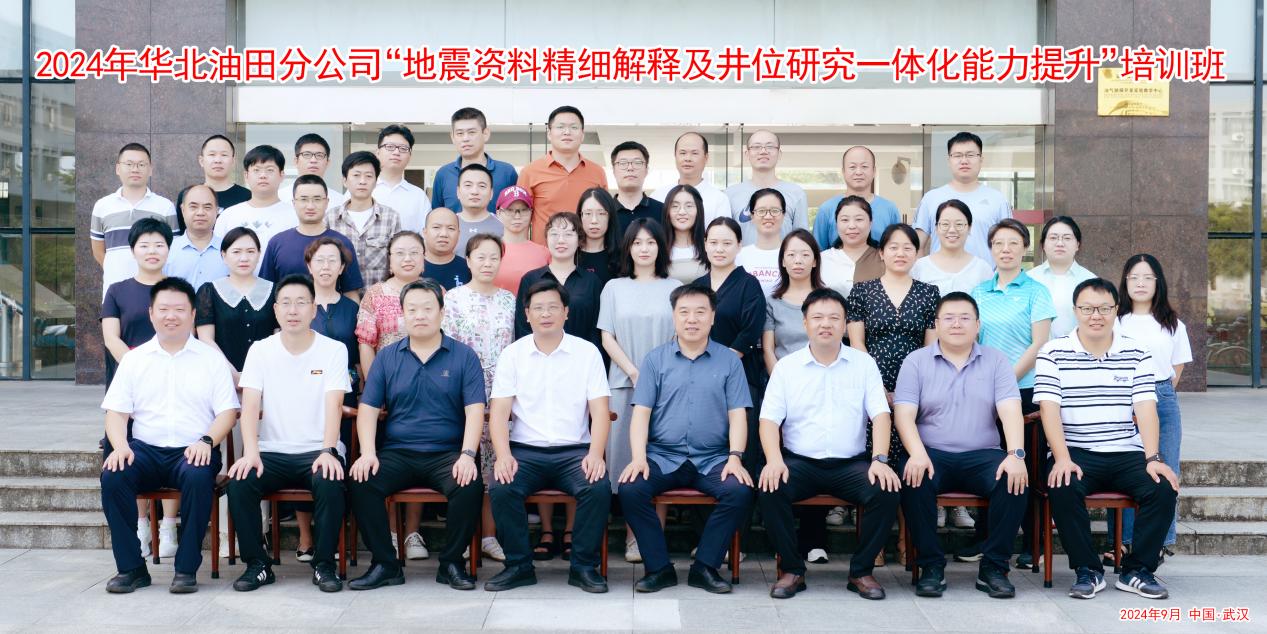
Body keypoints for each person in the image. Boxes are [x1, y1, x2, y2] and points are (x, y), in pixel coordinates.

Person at [1037, 278, 1179, 600]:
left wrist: (1153, 458)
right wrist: (1061, 458)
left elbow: (1145, 408)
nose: (1096, 316)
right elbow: (1049, 408)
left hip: (1125, 450)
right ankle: (1087, 570)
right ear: (1075, 311)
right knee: (1062, 484)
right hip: (1076, 450)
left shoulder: (1137, 352)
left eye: (1104, 308)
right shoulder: (1053, 352)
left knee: (1162, 487)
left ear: (1116, 310)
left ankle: (1137, 570)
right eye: (1087, 308)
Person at [757, 287, 901, 600]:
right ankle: (792, 570)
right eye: (818, 317)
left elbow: (880, 415)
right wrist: (774, 460)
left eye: (834, 318)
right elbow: (768, 420)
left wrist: (879, 459)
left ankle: (861, 571)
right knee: (770, 486)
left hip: (850, 464)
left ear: (845, 324)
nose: (826, 324)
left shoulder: (863, 364)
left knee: (886, 488)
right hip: (800, 462)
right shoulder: (787, 367)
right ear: (805, 323)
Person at [99, 277, 239, 594]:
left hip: (193, 448)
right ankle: (132, 568)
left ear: (192, 314)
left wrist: (207, 441)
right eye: (163, 309)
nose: (171, 316)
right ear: (151, 313)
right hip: (144, 450)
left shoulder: (211, 359)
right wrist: (120, 447)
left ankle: (186, 569)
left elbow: (227, 413)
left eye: (179, 309)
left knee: (198, 476)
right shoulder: (135, 359)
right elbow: (116, 413)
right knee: (114, 477)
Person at [346, 279, 486, 591]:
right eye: (412, 309)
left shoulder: (464, 356)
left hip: (446, 454)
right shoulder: (387, 357)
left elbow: (475, 410)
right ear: (403, 314)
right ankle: (385, 564)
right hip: (398, 452)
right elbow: (368, 410)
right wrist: (368, 452)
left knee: (469, 484)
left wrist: (467, 455)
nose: (419, 315)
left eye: (427, 308)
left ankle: (451, 563)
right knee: (362, 480)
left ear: (441, 313)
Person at [618, 284, 754, 594]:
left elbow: (737, 415)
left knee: (739, 491)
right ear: (674, 317)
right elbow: (641, 414)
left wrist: (735, 457)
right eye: (684, 312)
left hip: (713, 458)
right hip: (662, 456)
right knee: (631, 489)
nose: (692, 319)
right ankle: (659, 569)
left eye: (700, 312)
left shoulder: (729, 361)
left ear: (713, 317)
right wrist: (638, 458)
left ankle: (705, 567)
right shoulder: (655, 360)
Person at [894, 292, 1029, 599]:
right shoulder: (916, 361)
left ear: (978, 325)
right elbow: (904, 414)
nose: (957, 324)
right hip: (931, 453)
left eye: (965, 318)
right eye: (949, 318)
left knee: (1014, 478)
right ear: (937, 324)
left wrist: (1015, 454)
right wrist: (917, 453)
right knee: (913, 477)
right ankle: (931, 566)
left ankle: (994, 568)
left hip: (983, 454)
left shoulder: (996, 360)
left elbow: (1010, 409)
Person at [484, 279, 614, 593]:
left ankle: (583, 567)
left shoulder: (587, 353)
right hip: (525, 451)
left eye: (553, 307)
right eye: (538, 308)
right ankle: (519, 566)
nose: (546, 314)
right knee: (502, 486)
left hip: (575, 451)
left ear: (566, 312)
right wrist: (503, 456)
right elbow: (499, 414)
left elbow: (600, 412)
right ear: (527, 314)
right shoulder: (513, 354)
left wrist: (595, 454)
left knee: (597, 487)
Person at [227, 274, 350, 593]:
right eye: (286, 303)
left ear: (313, 309)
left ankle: (324, 564)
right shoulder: (260, 350)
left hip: (317, 449)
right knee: (240, 482)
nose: (293, 310)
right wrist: (250, 452)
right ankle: (257, 565)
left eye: (301, 303)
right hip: (271, 451)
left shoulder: (333, 350)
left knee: (330, 480)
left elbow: (335, 404)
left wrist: (328, 450)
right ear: (275, 309)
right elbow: (250, 406)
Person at [847, 224, 940, 564]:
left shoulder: (929, 293)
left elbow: (930, 348)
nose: (901, 253)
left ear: (917, 253)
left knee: (907, 464)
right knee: (877, 462)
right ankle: (875, 544)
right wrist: (879, 390)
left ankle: (905, 540)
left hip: (916, 388)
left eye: (908, 248)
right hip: (870, 386)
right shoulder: (862, 291)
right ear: (882, 253)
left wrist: (905, 393)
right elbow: (856, 343)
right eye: (894, 247)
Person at [597, 219, 681, 562]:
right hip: (624, 382)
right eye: (637, 243)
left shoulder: (675, 287)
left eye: (651, 242)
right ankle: (632, 536)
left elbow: (680, 335)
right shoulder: (613, 287)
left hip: (667, 386)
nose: (644, 249)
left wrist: (655, 374)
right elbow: (607, 336)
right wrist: (634, 371)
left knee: (658, 458)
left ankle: (650, 538)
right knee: (626, 459)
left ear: (661, 247)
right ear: (628, 248)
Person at [101, 218, 178, 559]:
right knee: (131, 452)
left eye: (159, 244)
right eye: (144, 245)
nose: (152, 251)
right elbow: (111, 337)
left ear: (168, 249)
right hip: (129, 384)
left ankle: (169, 524)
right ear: (133, 250)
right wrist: (140, 367)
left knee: (173, 445)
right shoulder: (118, 290)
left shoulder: (176, 289)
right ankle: (141, 525)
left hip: (174, 381)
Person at [354, 230, 431, 559]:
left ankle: (412, 532)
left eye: (414, 252)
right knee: (383, 463)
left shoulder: (435, 292)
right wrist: (378, 390)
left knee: (420, 457)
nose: (407, 258)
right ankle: (390, 533)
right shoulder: (374, 295)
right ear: (389, 260)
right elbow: (366, 343)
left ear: (424, 259)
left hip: (427, 396)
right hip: (386, 396)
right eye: (400, 253)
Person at [441, 234, 517, 563]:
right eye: (480, 257)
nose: (487, 263)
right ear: (468, 261)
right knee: (464, 461)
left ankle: (489, 536)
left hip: (501, 391)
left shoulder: (510, 300)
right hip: (462, 391)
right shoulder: (453, 299)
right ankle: (461, 539)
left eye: (493, 257)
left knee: (494, 464)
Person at [759, 229, 834, 564]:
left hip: (823, 388)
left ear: (815, 260)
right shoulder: (771, 301)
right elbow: (768, 348)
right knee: (783, 460)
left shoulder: (827, 298)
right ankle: (784, 541)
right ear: (783, 261)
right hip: (783, 388)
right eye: (791, 254)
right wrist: (785, 385)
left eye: (805, 254)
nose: (798, 260)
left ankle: (815, 539)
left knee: (816, 457)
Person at [1112, 254, 1191, 562]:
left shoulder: (1172, 324)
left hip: (1162, 398)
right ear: (1125, 282)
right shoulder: (1116, 321)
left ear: (1158, 283)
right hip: (1122, 399)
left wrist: (1158, 395)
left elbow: (1176, 368)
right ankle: (1123, 541)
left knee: (1166, 469)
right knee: (1126, 469)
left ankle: (1159, 542)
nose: (1141, 283)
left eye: (1147, 277)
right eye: (1134, 277)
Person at [294, 237, 362, 561]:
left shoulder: (353, 309)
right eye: (319, 260)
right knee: (302, 461)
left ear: (342, 267)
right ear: (309, 265)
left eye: (332, 260)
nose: (325, 267)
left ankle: (332, 537)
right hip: (301, 397)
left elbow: (359, 359)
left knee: (336, 468)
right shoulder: (298, 306)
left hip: (344, 397)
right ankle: (306, 537)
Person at [91, 142, 178, 300]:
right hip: (114, 289)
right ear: (118, 169)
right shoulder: (102, 206)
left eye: (141, 164)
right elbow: (98, 251)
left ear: (150, 169)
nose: (135, 169)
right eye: (129, 164)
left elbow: (173, 249)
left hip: (157, 291)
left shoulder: (165, 207)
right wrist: (117, 269)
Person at [913, 132, 1013, 260]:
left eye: (970, 155)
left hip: (985, 272)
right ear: (949, 160)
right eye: (957, 155)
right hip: (940, 273)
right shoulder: (931, 198)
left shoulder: (997, 199)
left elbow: (1009, 244)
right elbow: (917, 246)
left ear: (981, 159)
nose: (964, 161)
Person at [195, 227, 278, 383]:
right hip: (221, 379)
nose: (244, 258)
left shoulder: (274, 291)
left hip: (267, 378)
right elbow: (205, 339)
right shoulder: (209, 291)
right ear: (224, 255)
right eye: (236, 252)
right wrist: (233, 375)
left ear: (259, 254)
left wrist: (259, 376)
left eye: (251, 252)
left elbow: (279, 337)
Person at [259, 174, 364, 297]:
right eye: (304, 199)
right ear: (294, 202)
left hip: (330, 309)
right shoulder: (277, 243)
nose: (310, 206)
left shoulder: (342, 243)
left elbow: (351, 293)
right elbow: (265, 292)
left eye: (317, 199)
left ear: (326, 202)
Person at [518, 106, 608, 244]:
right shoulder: (530, 172)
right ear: (549, 133)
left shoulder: (597, 172)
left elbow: (605, 217)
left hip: (587, 252)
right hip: (545, 254)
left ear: (582, 134)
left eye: (574, 127)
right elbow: (521, 222)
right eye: (560, 127)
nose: (567, 132)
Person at [514, 212, 603, 349]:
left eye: (568, 234)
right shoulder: (530, 279)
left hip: (581, 357)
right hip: (538, 358)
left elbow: (596, 331)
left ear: (579, 240)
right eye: (554, 234)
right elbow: (522, 328)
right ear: (547, 239)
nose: (561, 240)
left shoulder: (591, 281)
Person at [214, 144, 297, 270]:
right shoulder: (229, 215)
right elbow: (217, 257)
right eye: (256, 170)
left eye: (270, 170)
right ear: (246, 175)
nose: (263, 175)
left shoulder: (295, 215)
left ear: (282, 175)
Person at [327, 151, 401, 287]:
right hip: (341, 295)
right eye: (356, 175)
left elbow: (397, 259)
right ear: (344, 180)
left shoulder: (391, 217)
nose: (362, 181)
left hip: (379, 297)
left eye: (368, 176)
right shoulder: (330, 218)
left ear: (376, 181)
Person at [727, 130, 809, 245]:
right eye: (756, 147)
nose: (763, 151)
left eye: (770, 146)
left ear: (779, 154)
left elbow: (802, 240)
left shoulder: (796, 193)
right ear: (747, 154)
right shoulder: (730, 194)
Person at [812, 146, 902, 249]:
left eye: (864, 166)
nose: (858, 172)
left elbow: (897, 249)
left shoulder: (889, 209)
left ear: (874, 171)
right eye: (852, 167)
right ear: (843, 171)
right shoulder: (826, 209)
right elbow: (818, 252)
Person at [431, 107, 518, 212]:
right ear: (452, 137)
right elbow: (437, 215)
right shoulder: (443, 174)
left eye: (471, 132)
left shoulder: (506, 173)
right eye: (460, 133)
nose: (465, 138)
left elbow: (517, 212)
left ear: (485, 134)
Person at [1028, 216, 1097, 338]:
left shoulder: (1091, 281)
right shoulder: (1029, 279)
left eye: (1067, 238)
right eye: (1053, 238)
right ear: (1043, 245)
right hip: (1036, 349)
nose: (1060, 243)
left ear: (1077, 245)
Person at [910, 199, 994, 295]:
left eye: (959, 224)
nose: (952, 230)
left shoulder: (982, 269)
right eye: (945, 224)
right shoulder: (920, 268)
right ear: (936, 228)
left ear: (969, 228)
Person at [651, 132, 732, 224]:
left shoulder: (719, 199)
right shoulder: (658, 196)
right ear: (675, 156)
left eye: (694, 153)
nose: (688, 158)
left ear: (706, 157)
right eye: (682, 153)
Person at [165, 184, 229, 291]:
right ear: (183, 210)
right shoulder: (167, 250)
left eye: (207, 207)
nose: (200, 213)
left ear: (217, 211)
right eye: (193, 207)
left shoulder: (229, 251)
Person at [819, 196, 885, 296]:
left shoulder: (885, 258)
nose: (852, 226)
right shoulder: (822, 259)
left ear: (870, 223)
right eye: (845, 220)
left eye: (859, 219)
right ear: (836, 224)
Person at [373, 124, 430, 232]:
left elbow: (425, 234)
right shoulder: (360, 190)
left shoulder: (418, 196)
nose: (396, 152)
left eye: (403, 148)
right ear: (378, 152)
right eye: (390, 147)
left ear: (410, 156)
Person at [492, 186, 550, 293]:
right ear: (499, 213)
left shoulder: (544, 253)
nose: (517, 216)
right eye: (510, 210)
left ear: (531, 212)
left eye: (523, 210)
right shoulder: (488, 250)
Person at [735, 188, 787, 296]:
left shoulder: (792, 255)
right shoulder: (738, 256)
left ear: (783, 215)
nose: (768, 216)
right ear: (752, 216)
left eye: (775, 211)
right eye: (761, 211)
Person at [184, 134, 250, 213]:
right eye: (212, 154)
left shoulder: (247, 196)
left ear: (233, 161)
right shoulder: (188, 195)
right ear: (201, 161)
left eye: (224, 155)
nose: (218, 160)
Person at [278, 133, 346, 210]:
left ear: (327, 162)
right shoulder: (280, 198)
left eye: (319, 155)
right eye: (307, 155)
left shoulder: (340, 202)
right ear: (296, 161)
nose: (313, 160)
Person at [610, 141, 663, 236]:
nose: (630, 168)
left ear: (646, 170)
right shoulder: (605, 212)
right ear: (613, 170)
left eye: (637, 163)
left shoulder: (663, 211)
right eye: (623, 163)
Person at [661, 184, 709, 285]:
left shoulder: (710, 247)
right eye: (675, 206)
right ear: (667, 211)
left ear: (698, 210)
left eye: (689, 206)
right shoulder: (657, 249)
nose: (682, 212)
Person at [453, 164, 505, 255]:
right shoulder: (448, 225)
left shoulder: (503, 225)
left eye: (482, 186)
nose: (474, 192)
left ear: (491, 193)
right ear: (458, 191)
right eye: (468, 185)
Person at [577, 187, 620, 286]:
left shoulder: (621, 257)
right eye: (588, 213)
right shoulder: (570, 255)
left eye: (601, 213)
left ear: (610, 216)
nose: (594, 220)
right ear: (580, 216)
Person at [422, 207, 472, 290]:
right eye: (436, 227)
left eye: (451, 228)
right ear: (425, 232)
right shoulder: (412, 267)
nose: (444, 234)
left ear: (458, 234)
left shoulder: (469, 268)